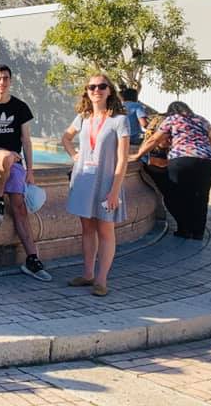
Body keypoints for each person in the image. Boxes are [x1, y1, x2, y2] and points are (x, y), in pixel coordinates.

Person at [0, 64, 51, 282]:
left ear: (10, 80)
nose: (2, 82)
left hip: (13, 163)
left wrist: (30, 171)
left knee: (19, 206)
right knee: (6, 157)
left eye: (5, 78)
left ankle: (32, 258)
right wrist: (2, 151)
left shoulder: (20, 107)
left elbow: (26, 140)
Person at [61, 75, 130, 297]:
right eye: (92, 87)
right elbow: (66, 138)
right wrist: (74, 156)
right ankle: (88, 274)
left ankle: (101, 280)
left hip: (106, 182)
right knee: (87, 229)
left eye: (101, 86)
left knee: (105, 230)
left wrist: (115, 190)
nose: (96, 90)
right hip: (84, 180)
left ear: (110, 90)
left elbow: (122, 158)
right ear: (87, 91)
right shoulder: (83, 117)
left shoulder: (120, 120)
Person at [131, 101, 211, 240]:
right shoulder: (202, 120)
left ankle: (184, 229)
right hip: (209, 160)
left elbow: (154, 140)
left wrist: (138, 155)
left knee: (175, 195)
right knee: (201, 196)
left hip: (182, 158)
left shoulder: (172, 119)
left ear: (171, 111)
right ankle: (198, 232)